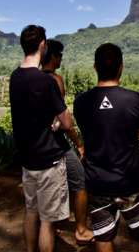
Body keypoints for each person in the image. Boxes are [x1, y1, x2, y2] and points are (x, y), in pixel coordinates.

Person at [73, 43, 139, 252]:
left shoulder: (81, 102)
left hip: (98, 183)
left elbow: (88, 132)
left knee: (103, 238)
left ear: (94, 67)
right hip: (131, 182)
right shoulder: (134, 99)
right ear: (121, 67)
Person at [9, 25, 73, 252]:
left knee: (31, 211)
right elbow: (66, 123)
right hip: (49, 161)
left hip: (27, 161)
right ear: (42, 45)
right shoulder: (46, 81)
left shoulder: (14, 77)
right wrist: (58, 121)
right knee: (47, 221)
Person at [40, 39, 94, 245]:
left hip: (38, 144)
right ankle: (80, 229)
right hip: (56, 142)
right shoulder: (56, 79)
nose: (61, 58)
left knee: (48, 187)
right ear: (53, 57)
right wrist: (79, 143)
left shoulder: (33, 78)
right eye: (60, 55)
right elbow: (63, 120)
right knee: (79, 180)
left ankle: (51, 226)